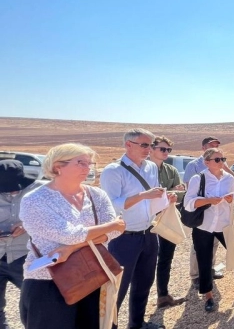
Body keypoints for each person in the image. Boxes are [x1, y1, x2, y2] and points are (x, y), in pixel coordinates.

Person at [20, 143, 125, 329]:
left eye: (90, 163)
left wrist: (72, 249)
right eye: (80, 163)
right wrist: (111, 225)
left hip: (94, 275)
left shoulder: (97, 195)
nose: (88, 168)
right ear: (58, 166)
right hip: (48, 282)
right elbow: (69, 234)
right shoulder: (35, 200)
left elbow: (115, 232)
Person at [100, 128, 175, 329]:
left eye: (150, 145)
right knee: (118, 288)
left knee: (144, 282)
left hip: (148, 233)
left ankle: (137, 324)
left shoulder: (151, 167)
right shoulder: (113, 171)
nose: (148, 149)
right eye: (144, 145)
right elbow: (111, 205)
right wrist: (143, 196)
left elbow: (154, 197)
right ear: (128, 145)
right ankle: (109, 326)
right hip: (123, 237)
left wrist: (165, 199)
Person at [184, 148, 234, 312]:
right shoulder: (198, 178)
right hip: (203, 226)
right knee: (205, 261)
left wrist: (229, 199)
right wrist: (208, 201)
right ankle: (208, 297)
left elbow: (233, 197)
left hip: (225, 223)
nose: (221, 162)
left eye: (223, 159)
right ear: (207, 162)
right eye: (217, 160)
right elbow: (188, 203)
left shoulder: (229, 178)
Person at [0, 160, 42, 329]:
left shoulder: (39, 191)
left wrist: (27, 224)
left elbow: (53, 218)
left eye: (15, 187)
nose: (12, 191)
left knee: (36, 304)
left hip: (26, 257)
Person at [149, 136, 187, 308]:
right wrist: (170, 193)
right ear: (152, 148)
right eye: (162, 149)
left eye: (168, 150)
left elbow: (180, 194)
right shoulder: (144, 170)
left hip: (167, 218)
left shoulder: (171, 170)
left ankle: (163, 295)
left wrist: (173, 194)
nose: (165, 153)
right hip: (146, 221)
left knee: (165, 258)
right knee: (146, 260)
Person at [183, 137, 225, 288]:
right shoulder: (193, 166)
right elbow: (190, 190)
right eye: (211, 145)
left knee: (214, 244)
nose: (214, 147)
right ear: (203, 148)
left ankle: (209, 270)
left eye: (216, 145)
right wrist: (207, 199)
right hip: (201, 212)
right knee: (198, 246)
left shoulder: (220, 163)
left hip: (217, 213)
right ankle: (196, 275)